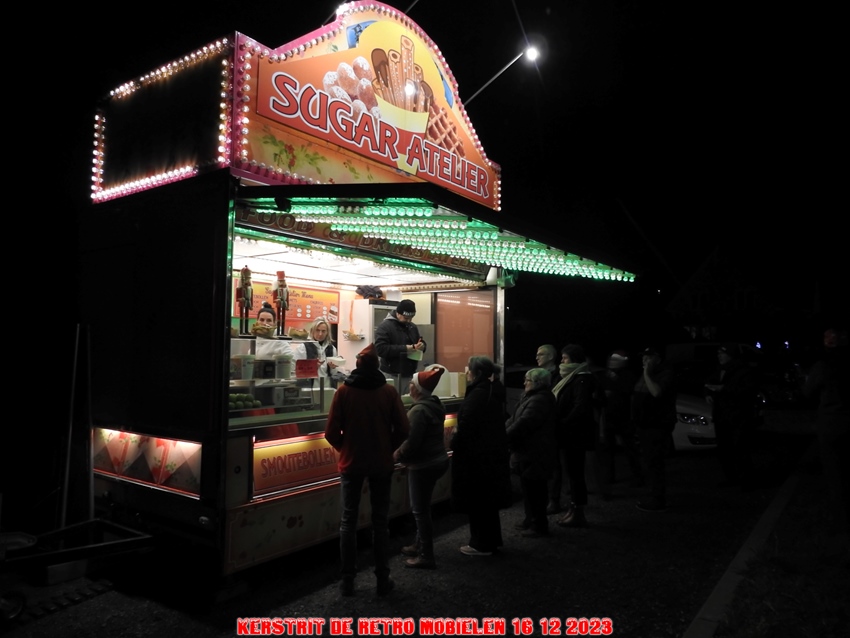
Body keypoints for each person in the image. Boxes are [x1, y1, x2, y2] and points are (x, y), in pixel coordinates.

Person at [324, 343, 410, 596]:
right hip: (381, 464)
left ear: (357, 365)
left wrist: (345, 448)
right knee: (380, 522)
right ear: (378, 366)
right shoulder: (388, 392)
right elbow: (403, 429)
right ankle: (382, 578)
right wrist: (387, 447)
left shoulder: (343, 392)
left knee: (348, 521)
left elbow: (331, 433)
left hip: (351, 463)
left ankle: (347, 581)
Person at [450, 355, 512, 556]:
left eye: (468, 370)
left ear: (475, 373)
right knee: (487, 503)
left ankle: (481, 544)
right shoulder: (491, 390)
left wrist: (454, 442)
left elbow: (467, 425)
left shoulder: (478, 394)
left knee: (478, 502)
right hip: (489, 455)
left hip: (477, 457)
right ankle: (489, 541)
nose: (466, 373)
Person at [394, 364, 451, 569]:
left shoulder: (418, 411)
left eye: (411, 383)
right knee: (424, 507)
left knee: (420, 510)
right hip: (438, 460)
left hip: (424, 465)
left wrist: (396, 456)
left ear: (417, 389)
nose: (408, 385)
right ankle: (419, 544)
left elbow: (411, 443)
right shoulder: (435, 405)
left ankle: (426, 555)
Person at [801, 328, 850, 532]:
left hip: (832, 425)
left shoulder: (822, 366)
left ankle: (841, 521)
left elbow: (807, 393)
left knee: (834, 475)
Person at [505, 367, 558, 537]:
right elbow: (515, 419)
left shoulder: (539, 400)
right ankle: (531, 520)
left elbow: (524, 423)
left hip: (535, 451)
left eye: (527, 380)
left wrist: (504, 436)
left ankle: (538, 525)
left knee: (535, 490)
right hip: (530, 451)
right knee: (529, 488)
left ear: (537, 383)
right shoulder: (533, 397)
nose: (524, 383)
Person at [550, 344, 598, 528]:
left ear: (575, 360)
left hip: (575, 434)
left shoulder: (581, 379)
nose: (562, 361)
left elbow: (580, 407)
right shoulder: (571, 377)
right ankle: (574, 509)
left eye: (565, 358)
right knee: (572, 473)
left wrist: (563, 423)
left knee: (575, 473)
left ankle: (578, 512)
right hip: (569, 433)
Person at [705, 344, 759, 489]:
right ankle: (732, 478)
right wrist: (709, 394)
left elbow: (748, 391)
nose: (719, 356)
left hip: (738, 416)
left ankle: (746, 480)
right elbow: (710, 382)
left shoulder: (744, 371)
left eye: (722, 353)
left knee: (740, 448)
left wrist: (724, 389)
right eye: (718, 353)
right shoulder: (719, 369)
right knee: (724, 449)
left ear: (731, 355)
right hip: (721, 415)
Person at [632, 346, 678, 512]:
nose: (644, 360)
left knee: (655, 462)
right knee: (649, 461)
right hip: (644, 425)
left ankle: (658, 500)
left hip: (657, 425)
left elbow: (656, 392)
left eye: (648, 357)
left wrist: (646, 373)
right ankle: (654, 494)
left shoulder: (665, 374)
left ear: (658, 358)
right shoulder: (649, 373)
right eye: (643, 357)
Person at [600, 350, 643, 487]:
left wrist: (614, 385)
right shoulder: (605, 375)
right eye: (611, 359)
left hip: (624, 418)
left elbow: (628, 391)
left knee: (630, 449)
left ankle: (638, 476)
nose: (612, 362)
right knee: (608, 450)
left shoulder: (628, 375)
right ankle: (609, 478)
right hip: (609, 418)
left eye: (616, 359)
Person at [375, 299, 426, 392]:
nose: (409, 320)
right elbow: (380, 349)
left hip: (410, 373)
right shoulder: (385, 327)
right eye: (406, 318)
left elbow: (419, 340)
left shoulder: (412, 327)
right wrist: (405, 348)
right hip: (392, 374)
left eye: (411, 318)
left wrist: (422, 345)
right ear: (398, 313)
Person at [292, 316, 345, 387]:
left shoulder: (332, 349)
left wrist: (333, 368)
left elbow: (334, 374)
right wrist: (312, 367)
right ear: (312, 331)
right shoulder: (303, 348)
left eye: (323, 331)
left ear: (327, 332)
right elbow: (294, 371)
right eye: (317, 330)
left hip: (327, 387)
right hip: (308, 388)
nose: (320, 334)